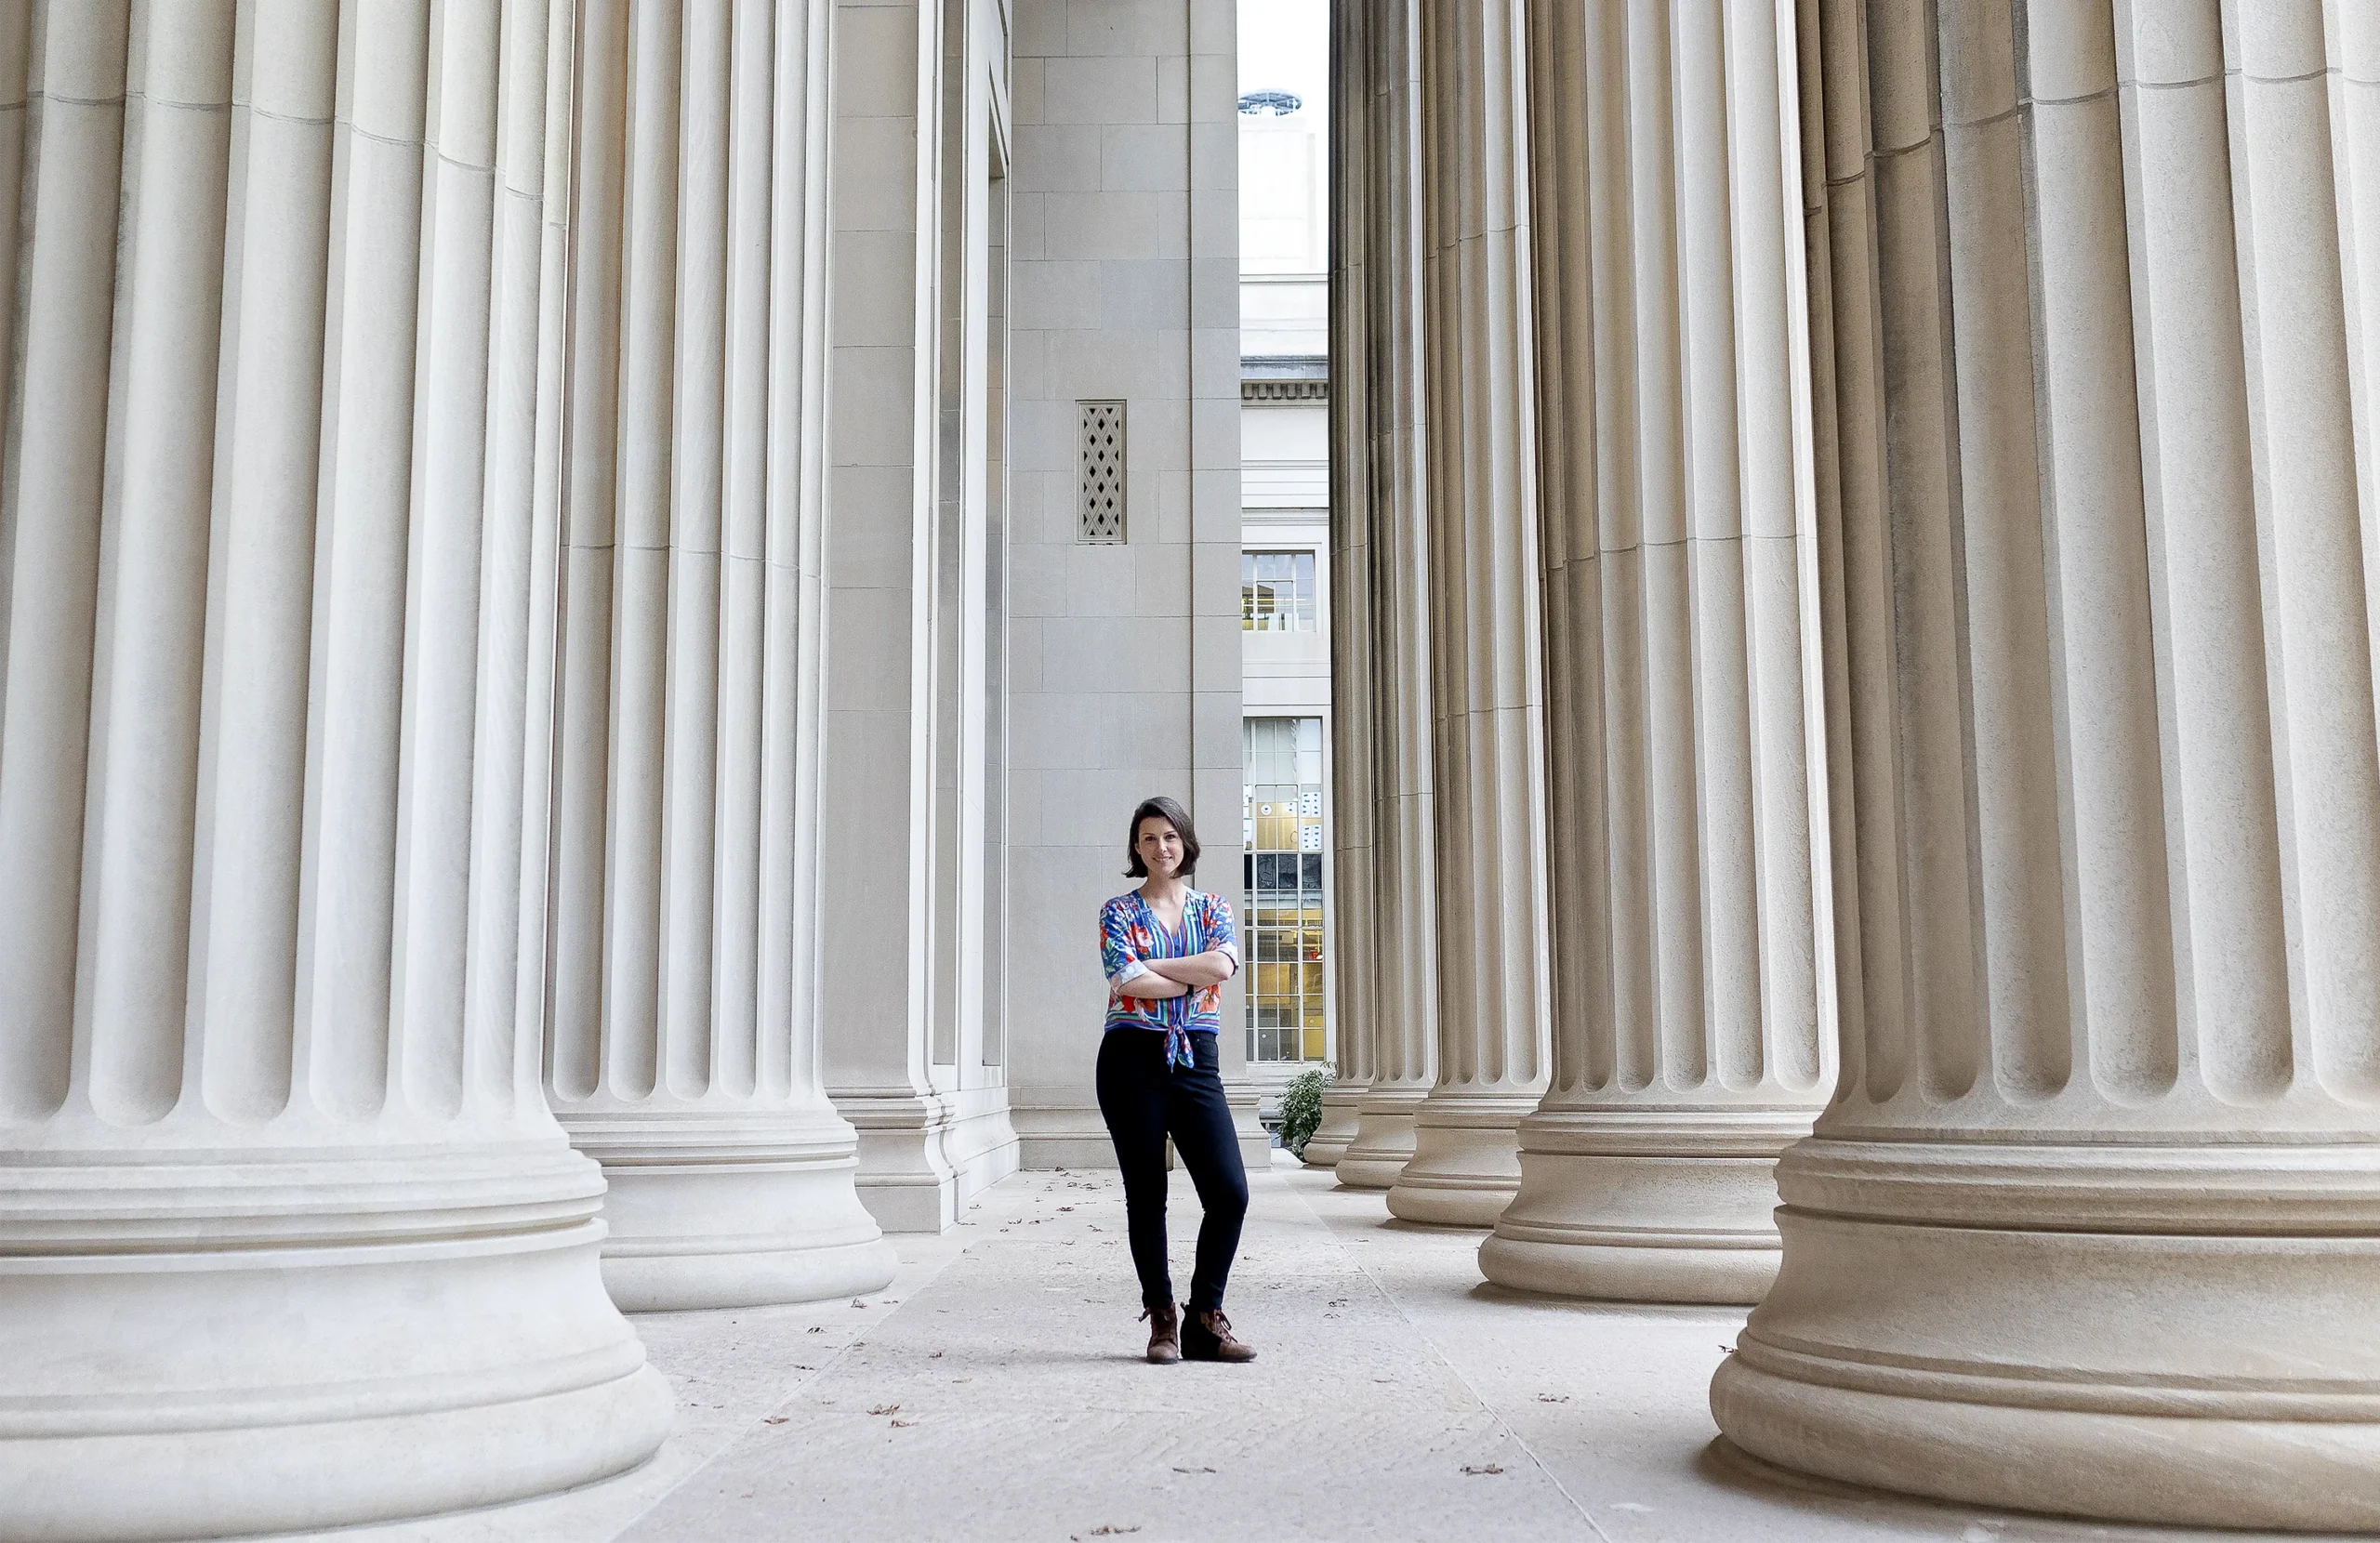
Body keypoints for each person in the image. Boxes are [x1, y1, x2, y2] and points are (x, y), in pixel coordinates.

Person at [1096, 796, 1257, 1365]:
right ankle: (1162, 1319)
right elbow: (1124, 978)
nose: (1160, 847)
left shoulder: (1213, 906)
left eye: (1169, 836)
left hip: (1196, 1060)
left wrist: (1153, 971)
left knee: (1230, 1193)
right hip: (1130, 1062)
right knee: (1148, 1196)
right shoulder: (1118, 911)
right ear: (1136, 849)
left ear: (1184, 842)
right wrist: (1188, 972)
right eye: (1147, 839)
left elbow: (1222, 967)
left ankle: (1203, 1317)